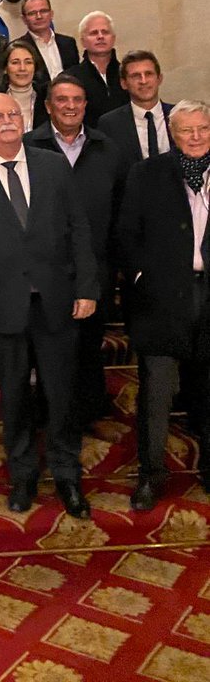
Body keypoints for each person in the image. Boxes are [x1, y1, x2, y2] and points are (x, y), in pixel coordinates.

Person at [0, 93, 98, 516]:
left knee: (61, 394)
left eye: (12, 114)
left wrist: (87, 287)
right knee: (14, 396)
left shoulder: (53, 165)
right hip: (1, 302)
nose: (6, 121)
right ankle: (23, 478)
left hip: (56, 299)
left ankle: (67, 475)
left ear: (24, 119)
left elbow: (78, 228)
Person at [118, 100, 210, 511]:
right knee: (155, 397)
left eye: (203, 129)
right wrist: (143, 279)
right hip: (160, 303)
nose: (195, 137)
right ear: (172, 135)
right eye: (187, 130)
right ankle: (151, 475)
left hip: (208, 298)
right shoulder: (147, 173)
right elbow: (126, 234)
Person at [25, 73, 126, 428]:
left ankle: (88, 416)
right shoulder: (28, 147)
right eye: (62, 100)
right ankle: (47, 418)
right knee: (45, 349)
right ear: (49, 105)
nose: (70, 107)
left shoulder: (107, 149)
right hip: (43, 271)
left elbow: (120, 209)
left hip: (94, 266)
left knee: (88, 346)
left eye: (77, 100)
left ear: (85, 105)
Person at [98, 50, 172, 169]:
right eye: (135, 76)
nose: (143, 81)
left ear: (159, 78)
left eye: (148, 74)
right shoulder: (109, 124)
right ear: (124, 83)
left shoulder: (179, 115)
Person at [68, 11, 126, 126]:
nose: (100, 36)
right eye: (94, 33)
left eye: (105, 32)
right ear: (83, 41)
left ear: (113, 38)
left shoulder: (127, 74)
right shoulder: (70, 78)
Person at [20, 0, 78, 78]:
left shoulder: (68, 43)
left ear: (51, 14)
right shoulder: (19, 48)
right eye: (32, 13)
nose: (39, 16)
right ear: (24, 19)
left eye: (43, 11)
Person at [0, 39, 49, 133]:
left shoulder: (48, 97)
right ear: (5, 68)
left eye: (28, 62)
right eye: (15, 62)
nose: (22, 68)